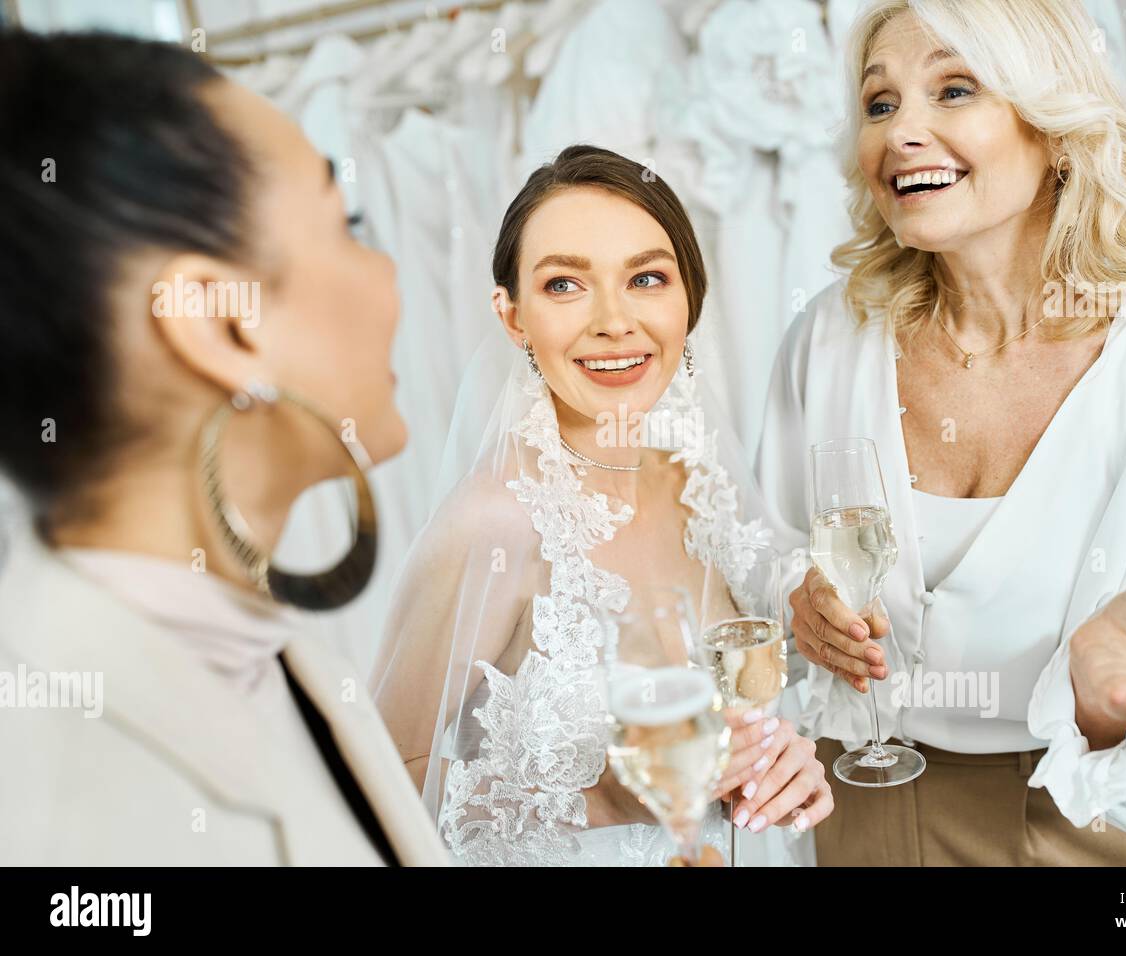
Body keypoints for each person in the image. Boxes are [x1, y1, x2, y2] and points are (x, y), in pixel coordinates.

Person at [757, 0, 1126, 866]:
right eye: (880, 105)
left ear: (1054, 127)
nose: (902, 133)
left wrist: (1099, 696)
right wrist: (797, 604)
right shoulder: (830, 340)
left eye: (954, 90)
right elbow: (764, 554)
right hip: (850, 815)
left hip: (1067, 833)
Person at [0, 31, 447, 865]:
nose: (388, 276)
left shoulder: (280, 660)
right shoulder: (63, 813)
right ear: (222, 321)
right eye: (345, 223)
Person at [371, 145, 830, 866]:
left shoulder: (694, 480)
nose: (615, 322)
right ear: (513, 316)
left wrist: (780, 765)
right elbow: (376, 783)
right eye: (565, 286)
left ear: (689, 301)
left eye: (646, 278)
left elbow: (746, 708)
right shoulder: (495, 519)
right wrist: (606, 798)